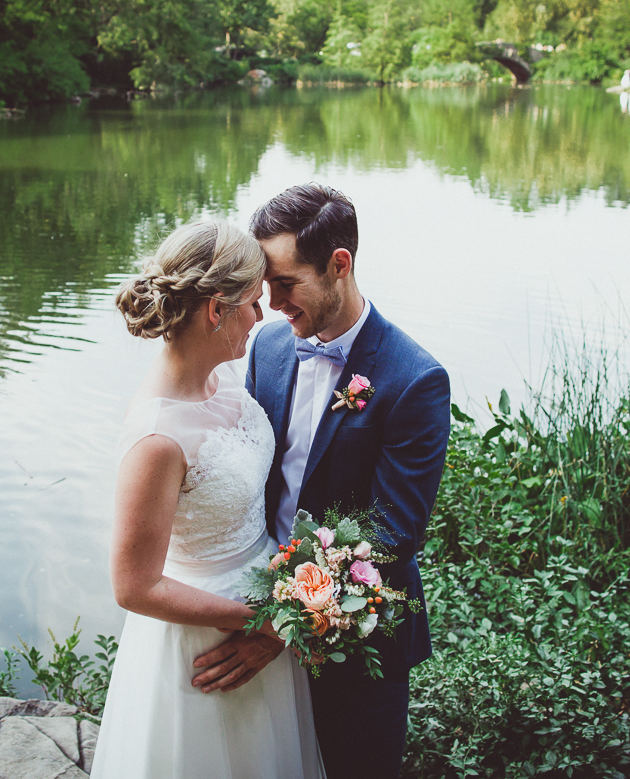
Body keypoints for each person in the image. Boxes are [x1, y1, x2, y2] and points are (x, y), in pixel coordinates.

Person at [191, 184, 451, 779]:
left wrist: (285, 627)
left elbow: (392, 534)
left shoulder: (415, 380)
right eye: (264, 284)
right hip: (254, 610)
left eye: (285, 283)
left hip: (359, 637)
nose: (270, 300)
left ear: (340, 265)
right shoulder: (271, 348)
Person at [91, 220, 324, 779]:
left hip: (262, 612)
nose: (261, 315)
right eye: (250, 302)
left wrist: (279, 614)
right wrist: (262, 619)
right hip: (207, 639)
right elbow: (134, 585)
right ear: (215, 311)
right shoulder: (156, 437)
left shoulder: (222, 380)